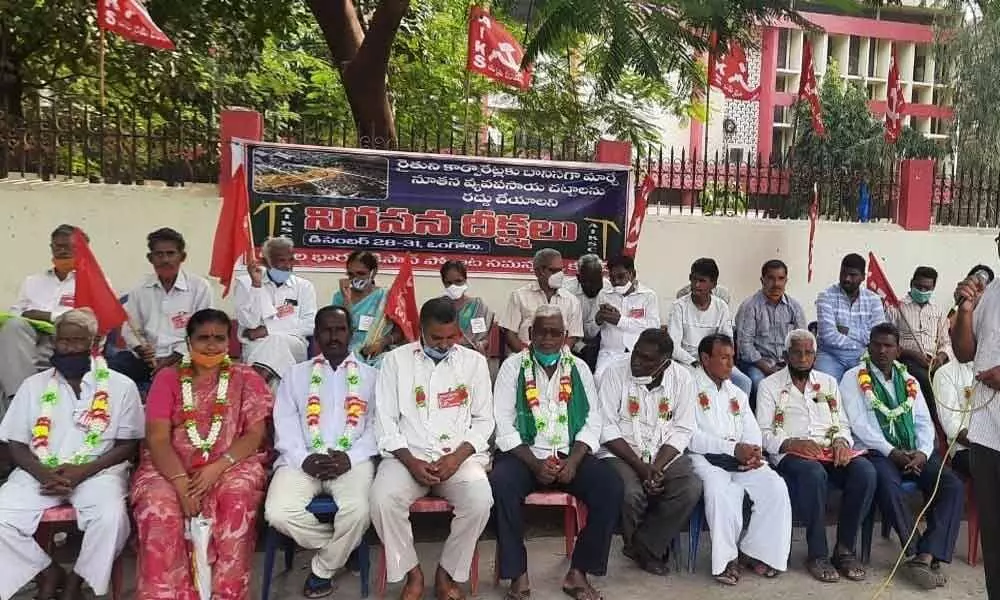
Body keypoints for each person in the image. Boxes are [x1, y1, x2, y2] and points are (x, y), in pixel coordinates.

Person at [0, 309, 143, 600]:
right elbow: (15, 443)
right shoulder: (33, 386)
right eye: (64, 341)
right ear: (54, 343)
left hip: (99, 472)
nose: (70, 348)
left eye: (78, 341)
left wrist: (83, 471)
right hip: (37, 473)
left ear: (94, 343)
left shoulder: (120, 386)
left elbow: (128, 444)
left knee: (111, 518)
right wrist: (43, 473)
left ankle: (77, 580)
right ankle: (47, 571)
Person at [131, 309, 273, 600]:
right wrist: (181, 483)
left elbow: (254, 435)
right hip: (170, 465)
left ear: (229, 342)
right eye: (203, 338)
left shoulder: (246, 377)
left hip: (230, 463)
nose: (211, 345)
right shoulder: (168, 379)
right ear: (188, 341)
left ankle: (226, 593)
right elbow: (157, 438)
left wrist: (217, 467)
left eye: (219, 338)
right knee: (158, 505)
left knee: (237, 496)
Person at [492, 305, 621, 600]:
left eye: (555, 333)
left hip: (568, 456)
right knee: (500, 484)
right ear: (530, 334)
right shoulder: (513, 367)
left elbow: (593, 420)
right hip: (524, 456)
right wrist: (535, 464)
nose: (548, 339)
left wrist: (574, 462)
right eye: (542, 332)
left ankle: (578, 573)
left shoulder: (579, 368)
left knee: (610, 486)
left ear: (565, 336)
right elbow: (502, 422)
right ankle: (517, 574)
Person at [370, 298, 493, 600]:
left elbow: (484, 421)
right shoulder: (395, 361)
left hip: (458, 457)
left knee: (480, 501)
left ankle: (447, 572)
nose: (445, 344)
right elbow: (384, 423)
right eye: (437, 338)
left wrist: (457, 458)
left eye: (451, 337)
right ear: (421, 330)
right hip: (406, 457)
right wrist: (411, 462)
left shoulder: (473, 362)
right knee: (383, 500)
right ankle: (412, 573)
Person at [265, 306, 378, 598]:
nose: (333, 336)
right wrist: (304, 458)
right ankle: (344, 547)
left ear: (351, 334)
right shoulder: (296, 374)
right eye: (326, 330)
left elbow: (377, 428)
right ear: (316, 335)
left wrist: (349, 458)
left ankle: (322, 569)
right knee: (278, 513)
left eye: (340, 330)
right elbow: (284, 423)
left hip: (352, 460)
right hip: (300, 459)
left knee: (359, 511)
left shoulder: (371, 377)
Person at [841, 323, 963, 590]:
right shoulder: (853, 377)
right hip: (877, 452)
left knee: (952, 485)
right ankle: (916, 552)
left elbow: (923, 421)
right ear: (869, 346)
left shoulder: (909, 379)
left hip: (912, 452)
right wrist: (892, 452)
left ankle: (927, 554)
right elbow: (860, 425)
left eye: (888, 345)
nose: (882, 350)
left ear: (898, 350)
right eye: (877, 344)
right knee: (887, 484)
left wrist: (922, 453)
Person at [756, 329, 875, 584]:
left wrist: (842, 441)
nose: (802, 358)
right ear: (786, 355)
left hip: (829, 449)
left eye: (808, 353)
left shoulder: (829, 382)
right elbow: (763, 433)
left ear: (815, 356)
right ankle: (817, 554)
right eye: (797, 353)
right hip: (792, 454)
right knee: (813, 473)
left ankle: (844, 550)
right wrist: (791, 442)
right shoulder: (769, 386)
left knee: (865, 472)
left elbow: (841, 422)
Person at [598, 328, 701, 576]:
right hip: (622, 451)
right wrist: (641, 467)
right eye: (636, 353)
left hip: (663, 451)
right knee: (630, 492)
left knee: (691, 486)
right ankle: (646, 548)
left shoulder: (683, 378)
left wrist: (657, 466)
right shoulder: (614, 372)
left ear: (665, 363)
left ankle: (644, 546)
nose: (637, 361)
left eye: (647, 359)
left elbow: (683, 428)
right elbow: (605, 426)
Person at [689, 334, 791, 585]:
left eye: (732, 358)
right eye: (724, 358)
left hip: (740, 458)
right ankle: (726, 561)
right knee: (723, 493)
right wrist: (732, 448)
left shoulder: (737, 392)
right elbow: (690, 437)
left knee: (775, 487)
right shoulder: (687, 387)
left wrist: (755, 452)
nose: (730, 364)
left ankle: (756, 552)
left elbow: (751, 429)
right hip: (705, 458)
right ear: (705, 359)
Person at [111, 228, 213, 385]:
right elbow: (130, 330)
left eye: (171, 253)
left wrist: (172, 360)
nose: (165, 260)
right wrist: (140, 349)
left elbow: (203, 332)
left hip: (186, 358)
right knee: (110, 369)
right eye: (159, 254)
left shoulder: (200, 288)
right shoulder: (139, 289)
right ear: (150, 258)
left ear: (182, 257)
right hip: (148, 360)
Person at [953, 263, 1000, 598]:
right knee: (994, 538)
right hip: (986, 433)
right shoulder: (993, 292)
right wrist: (966, 310)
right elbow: (964, 351)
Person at [0, 225, 82, 408]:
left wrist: (48, 316)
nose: (61, 251)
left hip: (65, 343)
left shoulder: (93, 282)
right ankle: (20, 400)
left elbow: (88, 319)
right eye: (56, 246)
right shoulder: (33, 281)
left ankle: (20, 406)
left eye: (67, 247)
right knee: (13, 326)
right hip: (27, 343)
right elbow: (16, 312)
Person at [234, 237, 317, 386]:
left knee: (276, 341)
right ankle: (267, 393)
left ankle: (253, 387)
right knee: (276, 382)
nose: (288, 266)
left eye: (291, 260)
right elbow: (250, 323)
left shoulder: (304, 286)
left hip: (293, 345)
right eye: (281, 260)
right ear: (266, 262)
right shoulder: (245, 283)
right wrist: (256, 286)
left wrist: (268, 330)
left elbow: (310, 324)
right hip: (257, 346)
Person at [668, 258, 751, 395]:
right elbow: (673, 346)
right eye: (693, 279)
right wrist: (695, 362)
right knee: (700, 384)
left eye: (702, 281)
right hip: (688, 362)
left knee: (744, 382)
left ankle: (737, 416)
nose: (696, 285)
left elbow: (727, 341)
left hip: (715, 360)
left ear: (713, 284)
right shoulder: (679, 306)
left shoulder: (721, 306)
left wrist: (716, 361)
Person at [886, 266, 951, 420]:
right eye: (918, 286)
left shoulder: (938, 311)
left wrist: (940, 358)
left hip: (933, 361)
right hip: (907, 358)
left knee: (948, 380)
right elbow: (888, 342)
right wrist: (913, 355)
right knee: (923, 378)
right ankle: (934, 420)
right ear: (911, 283)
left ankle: (948, 423)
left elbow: (946, 343)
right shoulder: (896, 307)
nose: (922, 291)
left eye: (926, 288)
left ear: (933, 287)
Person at [735, 259, 807, 396]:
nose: (776, 284)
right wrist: (768, 370)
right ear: (762, 280)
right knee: (759, 383)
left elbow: (802, 340)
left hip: (787, 364)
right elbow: (745, 347)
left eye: (781, 279)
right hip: (758, 365)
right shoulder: (750, 307)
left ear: (786, 281)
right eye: (771, 279)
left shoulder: (794, 307)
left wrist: (790, 366)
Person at [815, 253, 886, 381]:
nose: (846, 279)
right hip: (830, 355)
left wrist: (847, 331)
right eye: (843, 273)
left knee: (870, 389)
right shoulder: (825, 296)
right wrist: (861, 341)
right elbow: (828, 336)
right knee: (825, 389)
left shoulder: (873, 300)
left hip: (861, 357)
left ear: (863, 277)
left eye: (852, 275)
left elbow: (877, 336)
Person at [499, 248, 584, 354]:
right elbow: (510, 333)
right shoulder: (519, 296)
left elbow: (573, 335)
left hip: (559, 359)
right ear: (539, 272)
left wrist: (561, 356)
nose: (560, 275)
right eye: (554, 271)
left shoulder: (572, 301)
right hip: (525, 356)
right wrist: (527, 355)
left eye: (561, 270)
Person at [593, 255, 659, 379]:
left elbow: (653, 327)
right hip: (609, 353)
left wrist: (620, 320)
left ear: (632, 274)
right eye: (612, 278)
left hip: (638, 354)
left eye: (621, 276)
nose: (616, 282)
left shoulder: (648, 296)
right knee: (598, 378)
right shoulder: (604, 294)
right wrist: (599, 319)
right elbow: (592, 330)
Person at [331, 251, 400, 367]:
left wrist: (382, 343)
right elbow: (338, 330)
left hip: (379, 351)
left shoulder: (386, 296)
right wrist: (347, 301)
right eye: (351, 275)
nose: (355, 279)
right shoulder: (340, 296)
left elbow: (400, 332)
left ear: (373, 273)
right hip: (349, 351)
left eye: (361, 273)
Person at [562, 254, 609, 371]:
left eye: (597, 281)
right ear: (579, 278)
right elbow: (564, 328)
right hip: (572, 342)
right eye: (588, 282)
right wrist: (580, 347)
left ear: (602, 276)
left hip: (601, 343)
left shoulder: (609, 290)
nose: (594, 287)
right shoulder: (566, 292)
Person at [440, 260, 494, 355]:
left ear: (465, 280)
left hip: (471, 355)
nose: (454, 286)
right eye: (449, 283)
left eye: (458, 281)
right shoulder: (437, 307)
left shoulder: (477, 306)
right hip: (444, 354)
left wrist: (480, 345)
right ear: (444, 283)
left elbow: (482, 338)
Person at [931, 358, 973, 477]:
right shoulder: (945, 373)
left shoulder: (994, 369)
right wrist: (986, 446)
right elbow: (953, 427)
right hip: (966, 449)